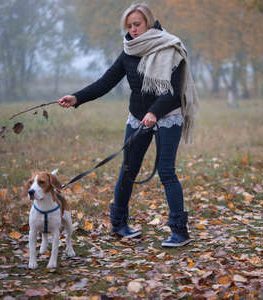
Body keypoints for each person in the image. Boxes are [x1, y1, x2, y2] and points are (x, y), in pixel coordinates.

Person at [57, 3, 198, 247]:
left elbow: (174, 92)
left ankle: (179, 231)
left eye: (137, 24)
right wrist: (77, 97)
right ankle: (119, 224)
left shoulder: (170, 47)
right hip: (138, 116)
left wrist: (155, 113)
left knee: (166, 172)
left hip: (168, 116)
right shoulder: (129, 51)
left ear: (149, 23)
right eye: (129, 25)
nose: (133, 30)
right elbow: (106, 81)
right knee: (128, 170)